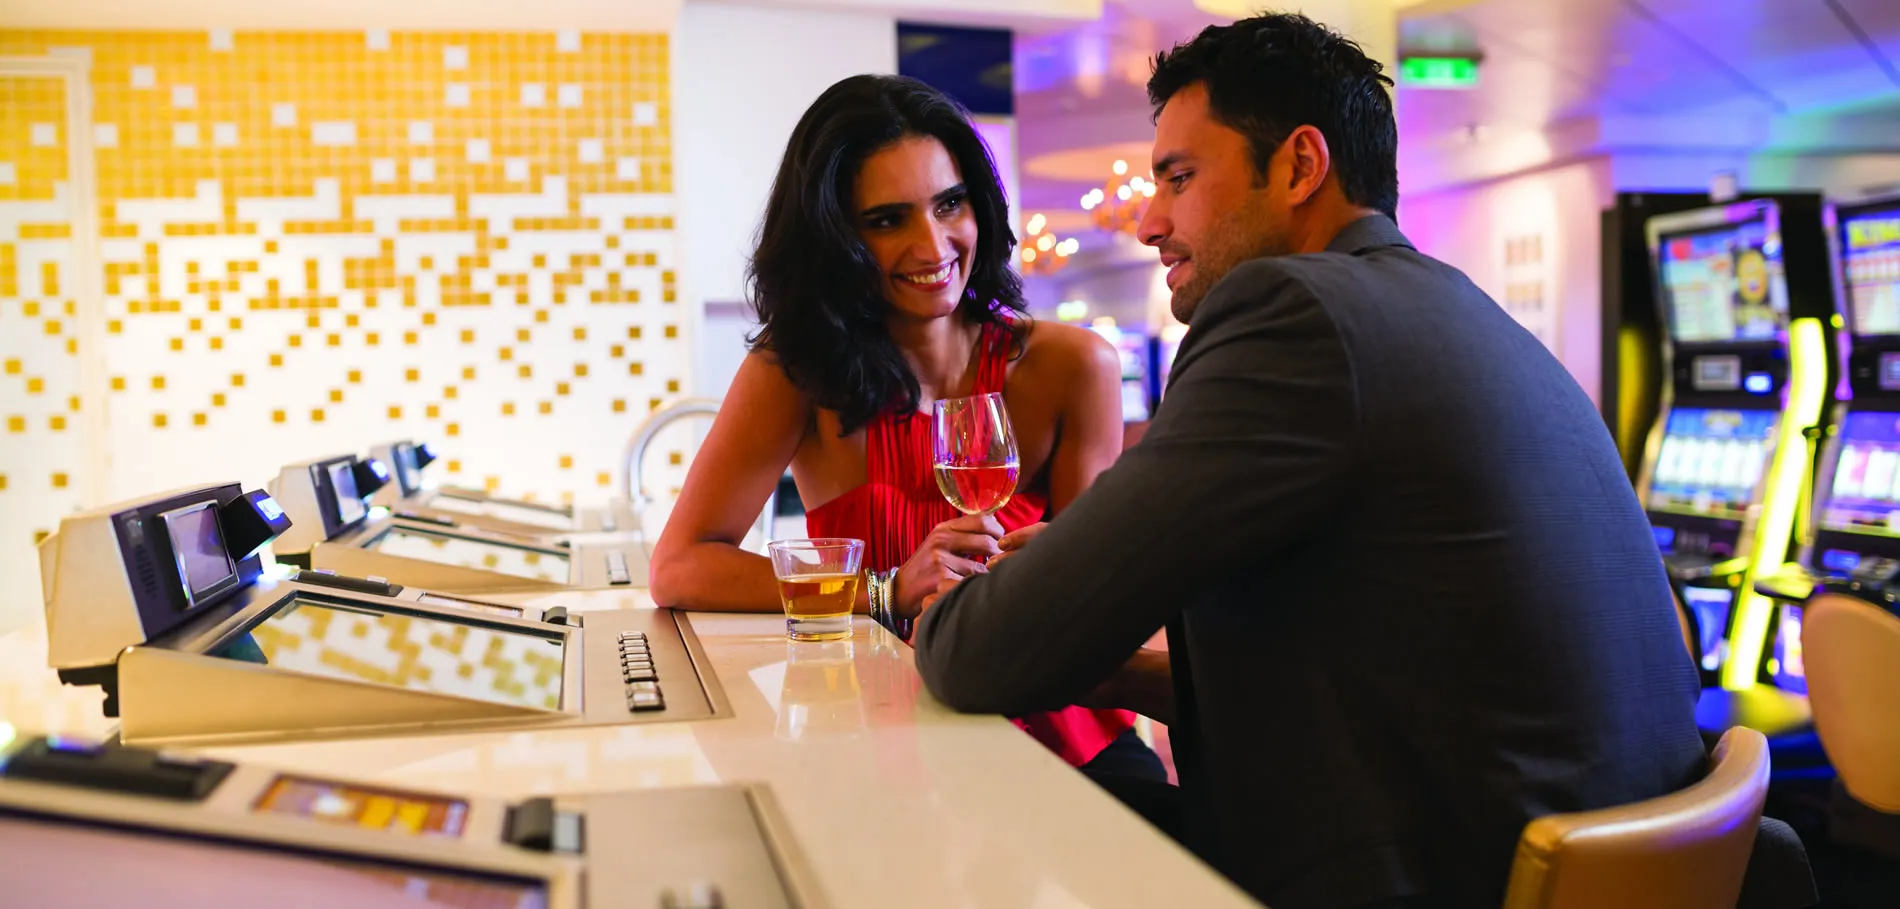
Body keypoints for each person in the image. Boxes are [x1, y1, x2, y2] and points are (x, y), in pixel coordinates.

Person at [912, 14, 1707, 909]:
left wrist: (964, 610)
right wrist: (1100, 658)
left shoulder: (1292, 312)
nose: (1148, 221)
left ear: (1298, 164)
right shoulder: (1455, 306)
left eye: (1178, 177)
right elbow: (1385, 679)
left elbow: (979, 656)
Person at [648, 74, 1162, 780]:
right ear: (836, 240)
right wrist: (884, 588)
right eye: (888, 219)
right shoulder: (795, 372)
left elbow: (1091, 611)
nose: (934, 244)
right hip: (884, 736)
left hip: (1067, 738)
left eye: (949, 203)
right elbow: (679, 567)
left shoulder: (1074, 366)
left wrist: (1049, 578)